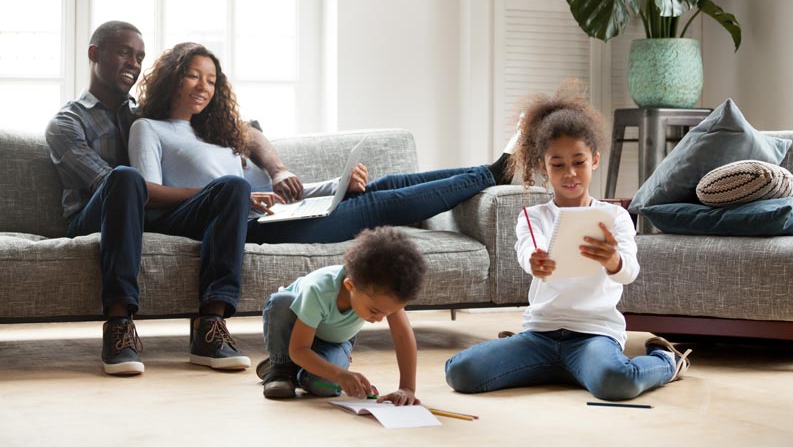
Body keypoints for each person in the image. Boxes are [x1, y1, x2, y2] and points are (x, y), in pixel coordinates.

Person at [45, 22, 299, 376]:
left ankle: (210, 327)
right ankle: (118, 326)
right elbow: (111, 185)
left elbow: (242, 129)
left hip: (155, 214)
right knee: (124, 178)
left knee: (233, 187)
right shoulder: (67, 123)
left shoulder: (143, 113)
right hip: (97, 216)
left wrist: (276, 170)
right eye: (123, 53)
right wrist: (204, 193)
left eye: (139, 57)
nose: (133, 63)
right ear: (94, 54)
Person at [444, 79, 693, 401]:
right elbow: (526, 252)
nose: (570, 173)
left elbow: (629, 271)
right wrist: (535, 263)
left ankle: (665, 360)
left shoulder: (614, 217)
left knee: (617, 381)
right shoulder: (532, 217)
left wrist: (612, 260)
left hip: (595, 335)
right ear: (543, 168)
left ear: (595, 161)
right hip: (540, 334)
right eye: (558, 164)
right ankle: (552, 365)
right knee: (460, 372)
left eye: (578, 162)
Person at [128, 41, 515, 246]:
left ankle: (493, 169)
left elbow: (273, 196)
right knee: (378, 205)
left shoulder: (216, 132)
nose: (204, 87)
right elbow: (146, 195)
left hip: (268, 215)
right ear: (173, 78)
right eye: (193, 76)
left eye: (211, 80)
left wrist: (336, 186)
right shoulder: (150, 129)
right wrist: (228, 198)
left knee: (386, 184)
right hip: (237, 228)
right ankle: (490, 173)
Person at [257, 226, 425, 402]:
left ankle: (298, 371)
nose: (379, 319)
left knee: (322, 385)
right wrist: (339, 373)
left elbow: (402, 336)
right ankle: (280, 369)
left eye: (387, 313)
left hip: (333, 342)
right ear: (350, 286)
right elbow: (298, 349)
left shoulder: (384, 295)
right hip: (294, 337)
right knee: (281, 301)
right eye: (375, 311)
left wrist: (407, 388)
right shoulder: (318, 290)